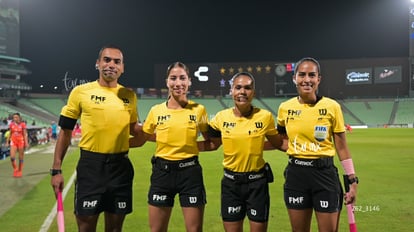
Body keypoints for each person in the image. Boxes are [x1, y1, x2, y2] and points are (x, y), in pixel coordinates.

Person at [50, 44, 141, 232]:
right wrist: (56, 169)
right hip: (91, 166)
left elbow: (134, 131)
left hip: (120, 167)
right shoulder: (80, 92)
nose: (111, 65)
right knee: (86, 226)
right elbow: (66, 131)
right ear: (97, 63)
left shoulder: (129, 96)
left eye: (117, 62)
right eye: (106, 60)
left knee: (115, 228)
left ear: (123, 68)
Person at [276, 57, 358, 232]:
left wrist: (352, 180)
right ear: (294, 78)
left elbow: (342, 147)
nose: (307, 80)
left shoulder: (332, 106)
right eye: (302, 75)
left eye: (312, 75)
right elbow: (282, 139)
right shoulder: (285, 108)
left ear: (318, 79)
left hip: (324, 175)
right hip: (296, 175)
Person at [130, 62, 209, 232]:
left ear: (189, 81)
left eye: (182, 78)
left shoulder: (199, 111)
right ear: (167, 82)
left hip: (190, 174)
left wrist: (188, 146)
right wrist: (117, 143)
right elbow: (143, 137)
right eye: (173, 78)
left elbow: (211, 142)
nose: (178, 83)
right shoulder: (156, 111)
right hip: (162, 174)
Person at [205, 72, 286, 232]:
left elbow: (279, 143)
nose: (242, 92)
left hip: (257, 184)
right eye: (238, 87)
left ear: (253, 92)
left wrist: (308, 147)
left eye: (247, 88)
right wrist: (185, 146)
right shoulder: (220, 118)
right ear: (231, 91)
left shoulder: (265, 117)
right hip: (231, 184)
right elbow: (214, 143)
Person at [6, 113, 29, 177]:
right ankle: (15, 169)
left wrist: (26, 142)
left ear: (19, 117)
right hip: (13, 141)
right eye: (14, 117)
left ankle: (20, 171)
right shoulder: (11, 125)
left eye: (16, 117)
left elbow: (24, 134)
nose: (15, 118)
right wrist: (7, 142)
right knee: (12, 157)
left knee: (20, 157)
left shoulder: (23, 124)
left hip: (21, 142)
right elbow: (10, 133)